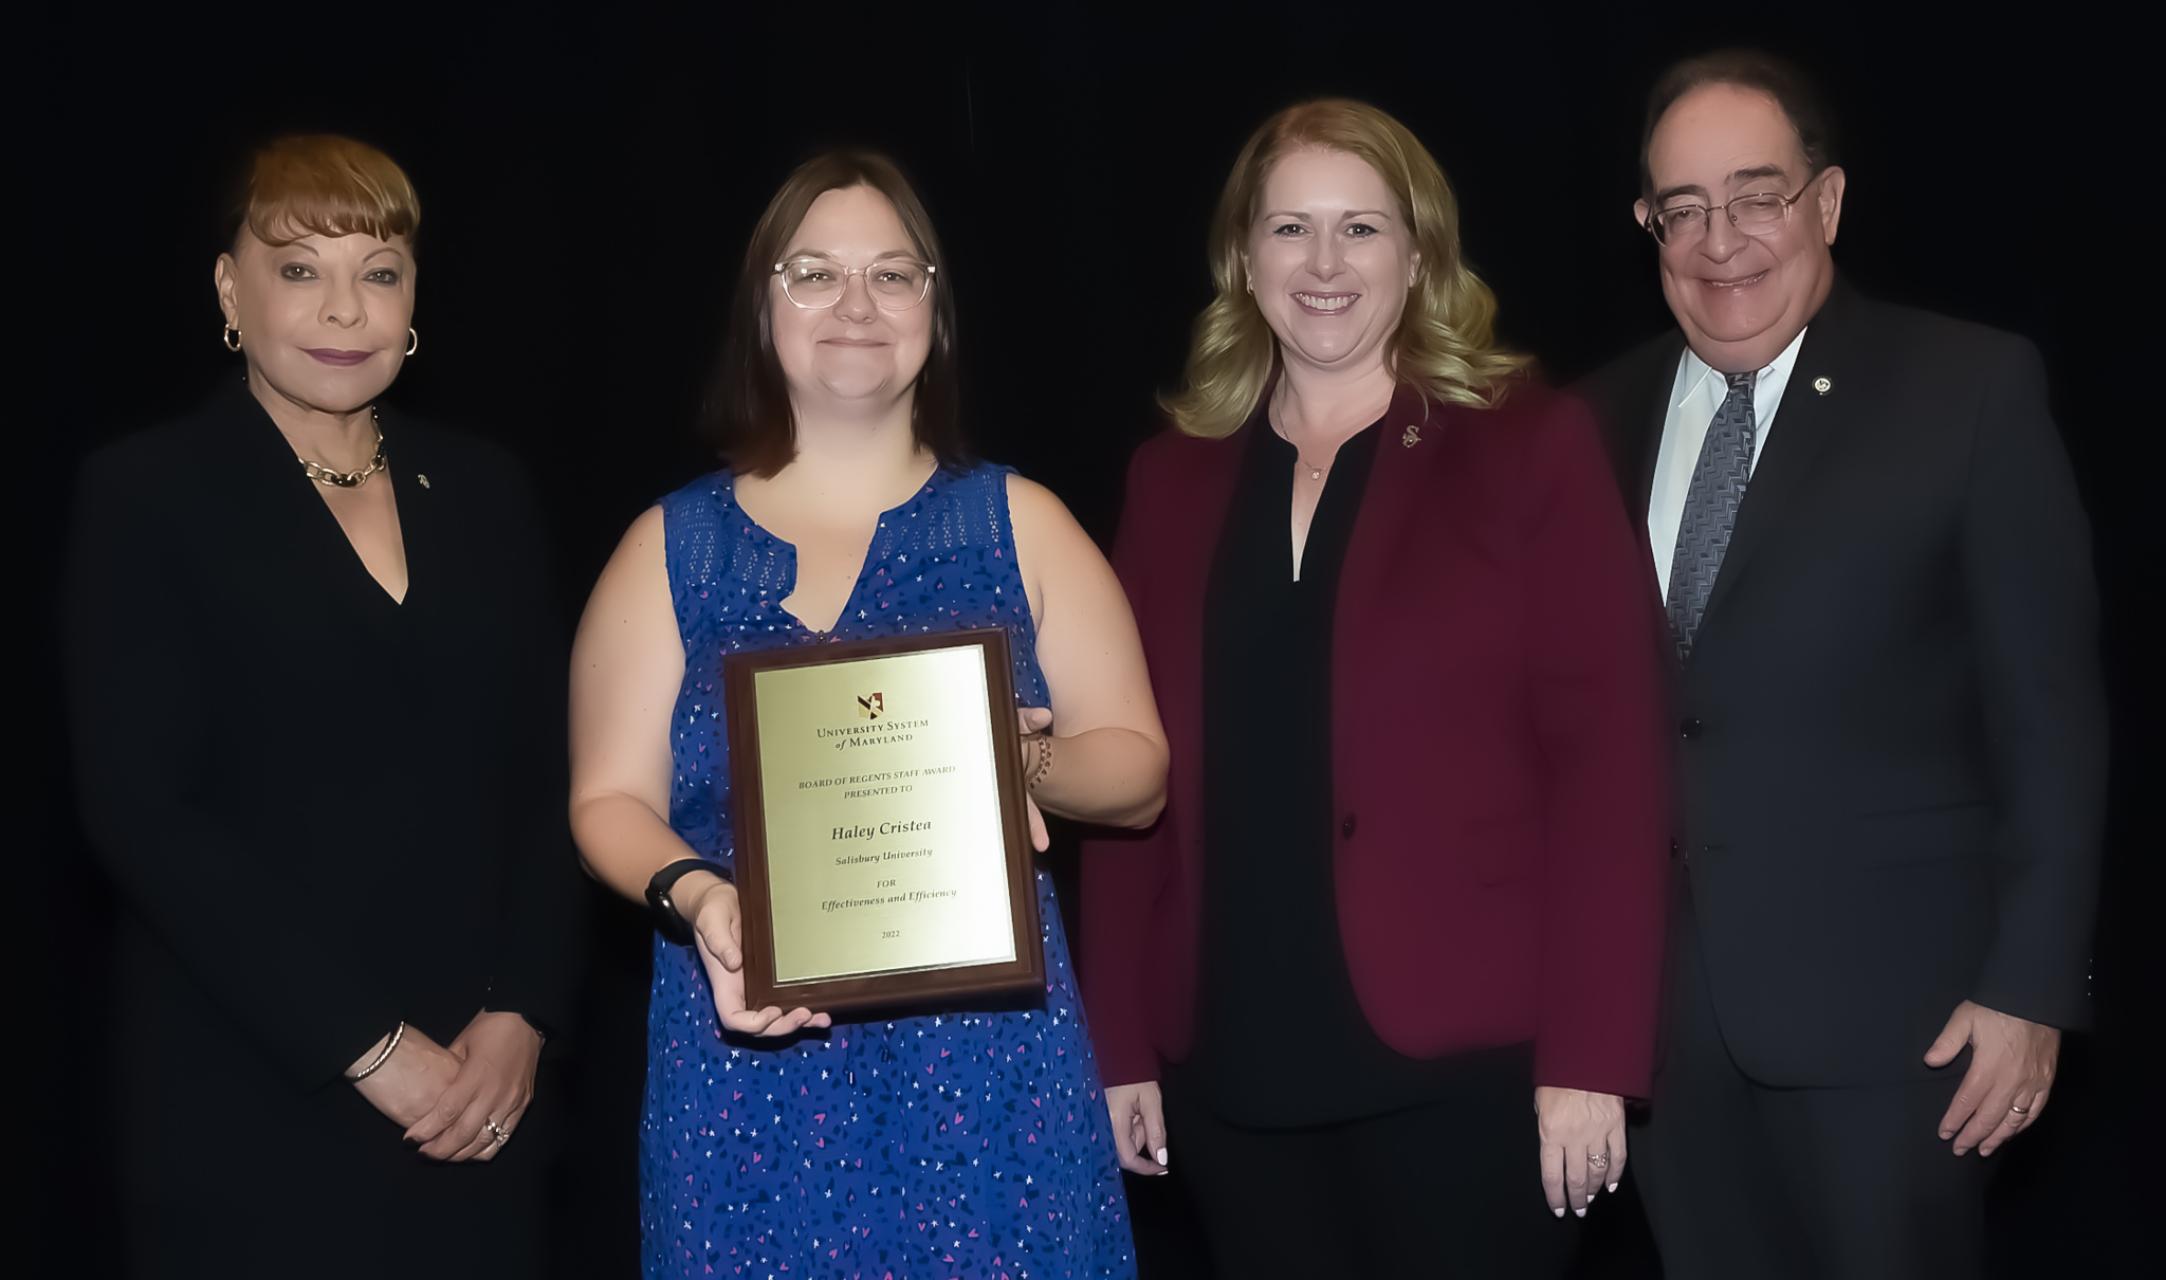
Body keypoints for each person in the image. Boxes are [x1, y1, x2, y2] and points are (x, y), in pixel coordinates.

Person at [1079, 99, 1670, 1277]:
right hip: (1232, 1067)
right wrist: (1118, 1044)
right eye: (1291, 229)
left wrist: (1594, 1053)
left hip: (1471, 1063)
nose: (1325, 264)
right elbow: (1130, 771)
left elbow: (1613, 765)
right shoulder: (1169, 477)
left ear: (1420, 255)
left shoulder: (1528, 444)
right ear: (1244, 259)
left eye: (1362, 228)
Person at [567, 149, 1167, 1279]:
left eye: (894, 275)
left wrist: (1013, 764)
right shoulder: (669, 548)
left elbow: (1137, 769)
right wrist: (701, 898)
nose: (856, 304)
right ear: (763, 306)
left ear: (935, 312)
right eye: (815, 273)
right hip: (744, 1068)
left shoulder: (1019, 521)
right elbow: (607, 798)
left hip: (994, 1086)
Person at [1575, 49, 2108, 1279]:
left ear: (1826, 201)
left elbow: (2052, 717)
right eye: (1684, 208)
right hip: (1657, 1031)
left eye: (1756, 195)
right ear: (1646, 224)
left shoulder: (1970, 387)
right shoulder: (1587, 422)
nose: (1722, 240)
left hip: (1902, 1027)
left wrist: (2031, 987)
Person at [63, 134, 584, 1277]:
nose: (344, 308)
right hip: (251, 1091)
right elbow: (142, 812)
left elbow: (557, 774)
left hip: (479, 1099)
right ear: (227, 290)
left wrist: (522, 1015)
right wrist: (367, 1045)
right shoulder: (147, 493)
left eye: (379, 270)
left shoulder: (488, 487)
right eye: (300, 267)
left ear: (413, 300)